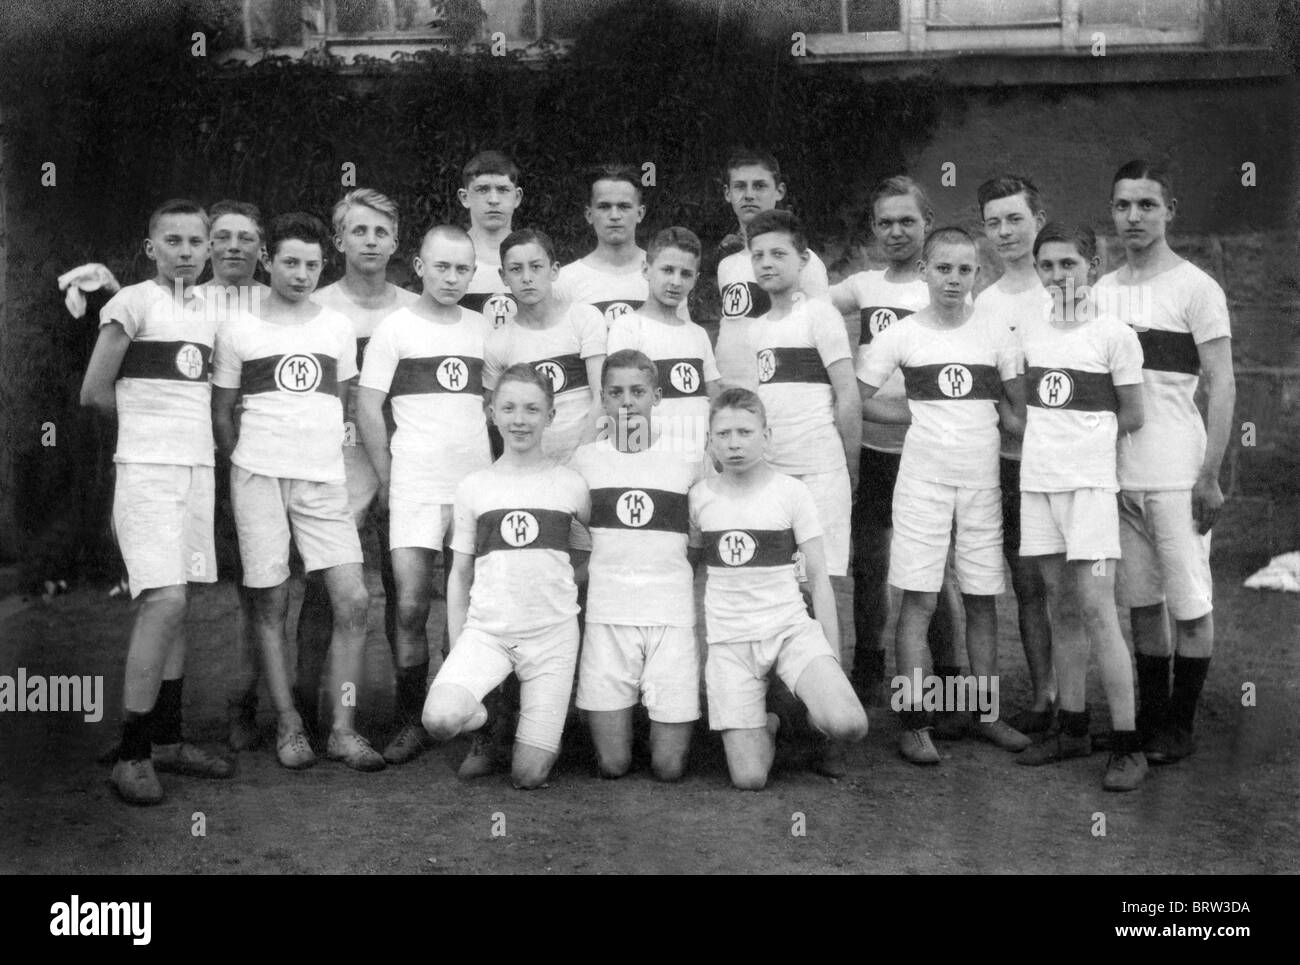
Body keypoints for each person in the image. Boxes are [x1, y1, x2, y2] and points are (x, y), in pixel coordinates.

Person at [212, 212, 383, 772]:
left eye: (312, 264)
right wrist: (253, 462)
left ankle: (342, 729)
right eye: (290, 262)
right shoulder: (240, 330)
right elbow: (222, 415)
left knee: (354, 601)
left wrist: (320, 457)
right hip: (258, 478)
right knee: (271, 601)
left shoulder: (334, 327)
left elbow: (340, 401)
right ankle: (287, 725)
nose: (302, 273)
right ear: (268, 260)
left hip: (323, 479)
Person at [79, 199, 234, 804]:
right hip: (146, 473)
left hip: (197, 470)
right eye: (174, 241)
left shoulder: (210, 312)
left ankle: (166, 740)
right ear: (152, 248)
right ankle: (133, 752)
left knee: (181, 601)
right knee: (162, 601)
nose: (188, 251)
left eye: (197, 242)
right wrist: (148, 429)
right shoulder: (131, 303)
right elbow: (94, 392)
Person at [858, 227, 1030, 764]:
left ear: (977, 273)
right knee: (919, 598)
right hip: (922, 484)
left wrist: (1001, 415)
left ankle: (983, 714)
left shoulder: (998, 332)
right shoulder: (901, 334)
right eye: (943, 269)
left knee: (981, 596)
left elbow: (1019, 414)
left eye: (965, 270)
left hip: (980, 483)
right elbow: (856, 398)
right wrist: (912, 415)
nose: (953, 279)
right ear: (926, 271)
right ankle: (914, 721)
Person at [1093, 160, 1235, 765]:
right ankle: (1150, 720)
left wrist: (1210, 475)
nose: (1133, 217)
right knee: (1144, 604)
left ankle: (1181, 723)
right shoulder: (1101, 292)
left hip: (1178, 474)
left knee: (1189, 604)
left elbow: (1223, 384)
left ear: (1169, 211)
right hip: (1119, 477)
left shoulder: (1197, 288)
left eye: (1147, 205)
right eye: (1123, 205)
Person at [1013, 223, 1148, 791]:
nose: (1058, 276)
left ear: (1092, 264)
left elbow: (1134, 415)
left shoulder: (1115, 334)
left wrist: (1083, 448)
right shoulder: (1030, 330)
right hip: (1039, 485)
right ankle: (1072, 727)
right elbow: (1026, 407)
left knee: (1097, 609)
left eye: (1068, 264)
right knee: (1058, 607)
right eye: (1047, 266)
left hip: (1089, 490)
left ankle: (1128, 745)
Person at [356, 224, 490, 764]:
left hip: (473, 487)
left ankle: (472, 714)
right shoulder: (395, 328)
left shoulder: (484, 330)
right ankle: (412, 719)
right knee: (410, 606)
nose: (452, 277)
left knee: (474, 606)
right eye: (442, 267)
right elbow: (367, 407)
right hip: (414, 484)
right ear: (419, 265)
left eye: (462, 269)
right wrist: (390, 478)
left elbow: (506, 402)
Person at [421, 364, 590, 789]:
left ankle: (527, 724)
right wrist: (461, 642)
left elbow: (588, 556)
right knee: (440, 720)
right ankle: (491, 717)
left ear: (550, 416)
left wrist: (557, 591)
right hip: (488, 633)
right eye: (509, 408)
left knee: (528, 777)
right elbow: (459, 574)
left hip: (552, 637)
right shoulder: (475, 486)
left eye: (532, 409)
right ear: (491, 412)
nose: (520, 419)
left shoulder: (571, 485)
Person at [690, 388, 868, 790]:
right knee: (750, 778)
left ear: (766, 436)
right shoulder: (699, 499)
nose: (734, 443)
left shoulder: (791, 492)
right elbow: (690, 573)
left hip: (789, 631)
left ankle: (803, 705)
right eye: (723, 435)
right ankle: (770, 721)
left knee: (849, 724)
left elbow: (820, 581)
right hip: (731, 641)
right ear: (710, 441)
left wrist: (832, 661)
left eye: (745, 432)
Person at [835, 176, 962, 710]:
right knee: (870, 565)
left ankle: (951, 686)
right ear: (872, 229)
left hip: (928, 452)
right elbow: (803, 291)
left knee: (937, 572)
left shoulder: (946, 286)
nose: (896, 231)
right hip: (874, 450)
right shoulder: (864, 286)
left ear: (927, 225)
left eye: (907, 221)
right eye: (885, 222)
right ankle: (868, 671)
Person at [297, 188, 419, 739]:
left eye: (381, 231)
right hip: (339, 458)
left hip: (403, 455)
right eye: (359, 230)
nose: (370, 240)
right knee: (329, 588)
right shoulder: (316, 305)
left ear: (396, 241)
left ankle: (405, 714)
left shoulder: (415, 307)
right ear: (339, 238)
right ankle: (301, 709)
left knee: (403, 586)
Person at [746, 208, 862, 775]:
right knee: (779, 592)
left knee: (822, 591)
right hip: (778, 478)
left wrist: (850, 466)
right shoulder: (756, 328)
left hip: (821, 474)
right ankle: (783, 719)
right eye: (758, 255)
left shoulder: (821, 315)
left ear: (802, 259)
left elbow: (847, 395)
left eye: (778, 254)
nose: (767, 263)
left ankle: (825, 727)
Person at [570, 350, 704, 780]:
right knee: (613, 765)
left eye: (637, 391)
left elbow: (700, 543)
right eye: (615, 393)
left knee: (668, 769)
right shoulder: (585, 462)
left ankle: (660, 714)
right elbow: (575, 547)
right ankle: (627, 717)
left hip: (671, 618)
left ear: (657, 396)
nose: (626, 402)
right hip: (608, 619)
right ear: (603, 400)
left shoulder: (688, 458)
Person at [974, 175, 1055, 733]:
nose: (1005, 232)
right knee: (1026, 583)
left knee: (1071, 588)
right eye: (994, 222)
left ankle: (1073, 701)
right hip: (1010, 464)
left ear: (1039, 220)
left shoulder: (1063, 291)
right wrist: (1009, 418)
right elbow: (990, 391)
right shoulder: (983, 303)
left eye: (1015, 219)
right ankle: (1045, 694)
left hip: (1065, 463)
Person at [715, 150, 830, 388]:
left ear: (779, 191)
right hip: (731, 393)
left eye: (759, 186)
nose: (749, 195)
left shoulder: (803, 261)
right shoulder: (727, 265)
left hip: (778, 391)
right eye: (739, 187)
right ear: (728, 194)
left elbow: (823, 335)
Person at [607, 227, 720, 466]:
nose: (676, 282)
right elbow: (622, 399)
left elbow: (712, 395)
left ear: (696, 279)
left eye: (686, 274)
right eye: (667, 270)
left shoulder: (697, 334)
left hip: (698, 459)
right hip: (650, 459)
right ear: (646, 270)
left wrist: (713, 451)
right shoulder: (628, 327)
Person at [555, 164, 690, 326]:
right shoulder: (565, 281)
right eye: (604, 207)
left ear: (640, 213)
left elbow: (680, 341)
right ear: (589, 215)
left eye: (624, 206)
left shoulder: (667, 275)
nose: (614, 215)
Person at [458, 150, 522, 331]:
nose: (493, 200)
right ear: (465, 197)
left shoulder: (533, 258)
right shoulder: (450, 259)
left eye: (502, 190)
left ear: (517, 197)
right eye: (482, 189)